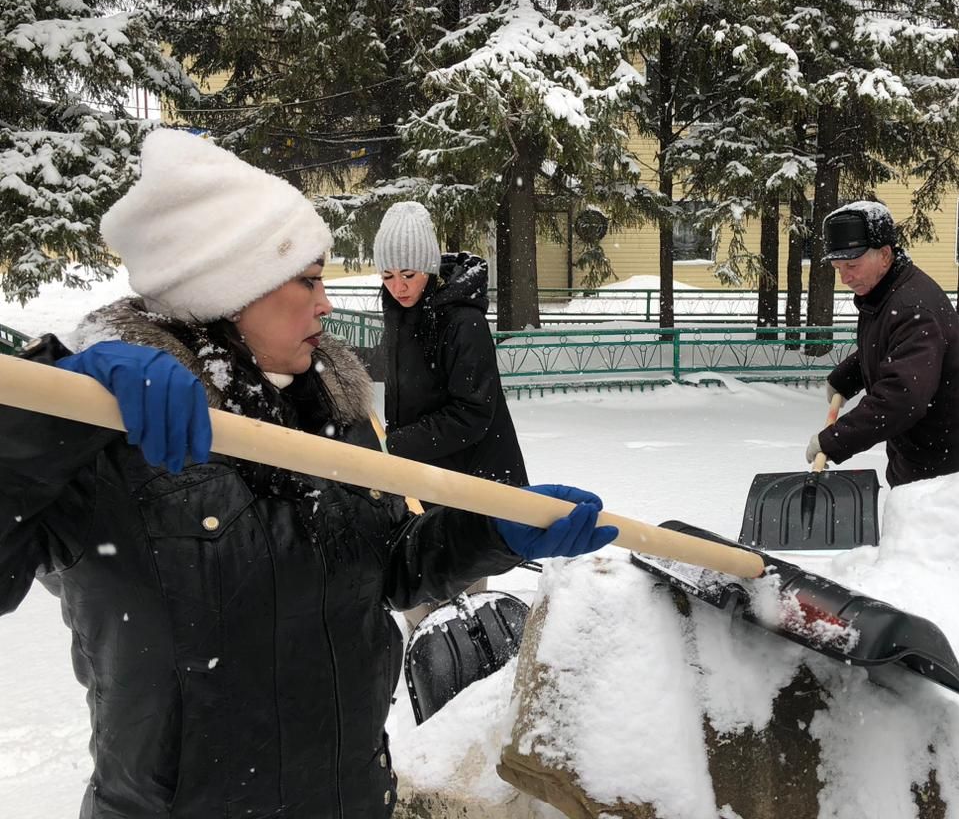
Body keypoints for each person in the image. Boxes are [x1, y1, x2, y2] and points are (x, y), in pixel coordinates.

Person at [0, 129, 617, 819]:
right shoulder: (107, 426)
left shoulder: (330, 412)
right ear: (228, 291)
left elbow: (388, 569)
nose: (327, 304)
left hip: (349, 797)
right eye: (308, 280)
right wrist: (51, 421)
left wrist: (494, 531)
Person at [806, 201, 959, 487]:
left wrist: (835, 440)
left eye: (852, 265)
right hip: (920, 453)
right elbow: (888, 347)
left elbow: (902, 397)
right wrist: (846, 378)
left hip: (945, 470)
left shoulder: (911, 307)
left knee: (929, 532)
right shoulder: (885, 294)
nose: (845, 278)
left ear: (884, 255)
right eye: (838, 267)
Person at [374, 201, 528, 487]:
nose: (398, 287)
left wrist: (397, 445)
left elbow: (471, 413)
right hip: (431, 475)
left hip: (476, 483)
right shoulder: (405, 313)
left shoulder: (464, 323)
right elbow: (406, 376)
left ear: (429, 269)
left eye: (408, 274)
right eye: (387, 276)